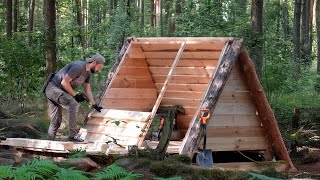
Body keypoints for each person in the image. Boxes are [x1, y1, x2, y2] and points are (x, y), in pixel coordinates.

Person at [44, 53, 104, 142]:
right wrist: (75, 95)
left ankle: (49, 143)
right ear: (94, 63)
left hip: (58, 91)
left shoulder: (87, 74)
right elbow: (64, 82)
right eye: (99, 67)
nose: (98, 70)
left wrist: (94, 104)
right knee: (73, 104)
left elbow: (88, 90)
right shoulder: (78, 67)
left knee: (56, 121)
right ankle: (73, 136)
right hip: (53, 89)